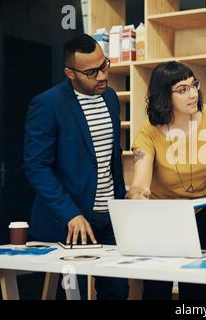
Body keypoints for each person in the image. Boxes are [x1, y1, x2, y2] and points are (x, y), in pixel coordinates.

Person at [24, 34, 129, 299]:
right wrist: (70, 213)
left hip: (110, 216)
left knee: (117, 292)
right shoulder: (47, 104)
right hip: (70, 220)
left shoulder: (111, 98)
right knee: (73, 295)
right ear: (70, 73)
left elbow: (110, 156)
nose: (102, 76)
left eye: (104, 65)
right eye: (92, 72)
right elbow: (37, 166)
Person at [127, 61, 206, 300]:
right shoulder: (148, 132)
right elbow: (141, 182)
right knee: (157, 289)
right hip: (164, 219)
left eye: (194, 85)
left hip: (203, 214)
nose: (193, 94)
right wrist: (137, 194)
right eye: (182, 90)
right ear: (164, 96)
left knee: (195, 289)